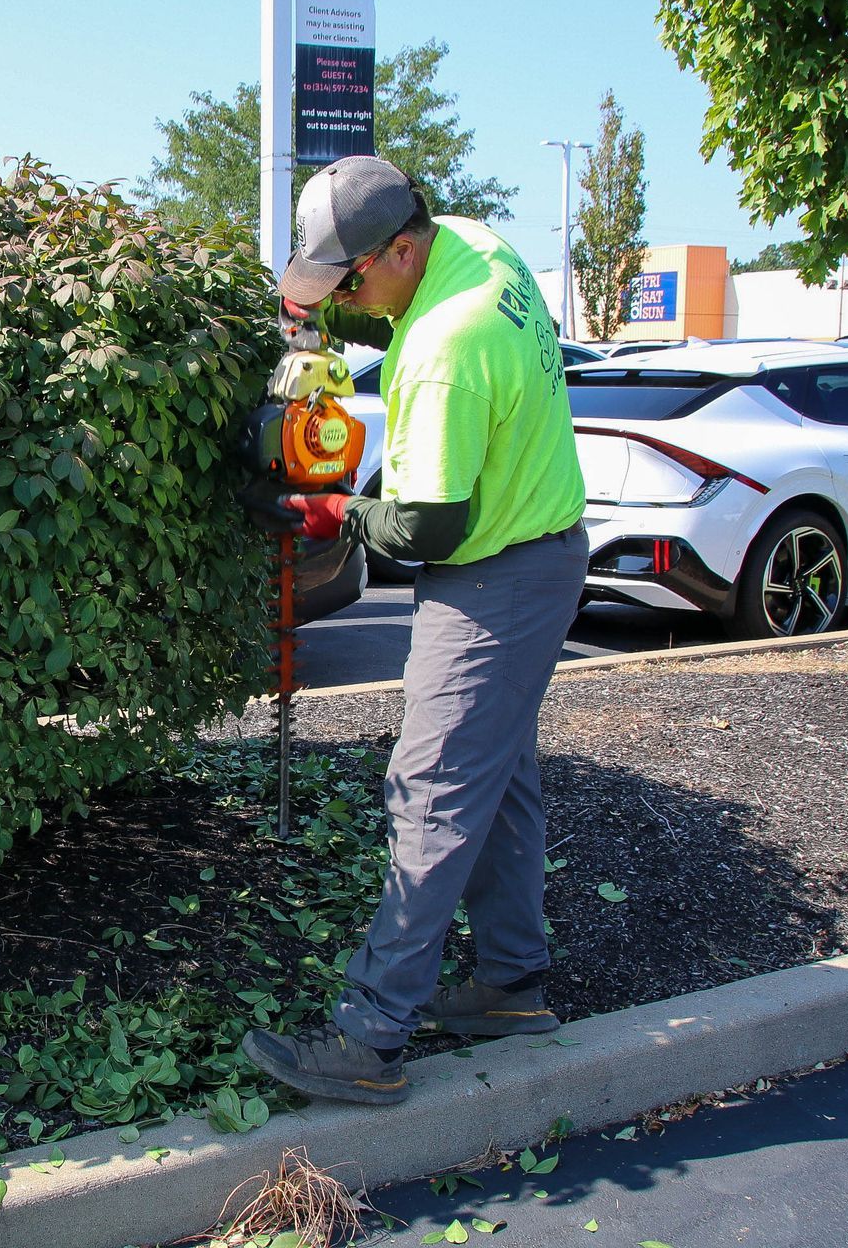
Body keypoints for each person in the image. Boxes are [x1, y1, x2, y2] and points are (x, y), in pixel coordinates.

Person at [239, 155, 588, 1106]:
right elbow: (375, 312)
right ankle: (511, 986)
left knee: (432, 787)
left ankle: (371, 1033)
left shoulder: (445, 348)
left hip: (493, 578)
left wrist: (333, 512)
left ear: (401, 246)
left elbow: (431, 527)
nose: (344, 298)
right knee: (500, 775)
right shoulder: (474, 244)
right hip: (543, 549)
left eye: (348, 280)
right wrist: (308, 317)